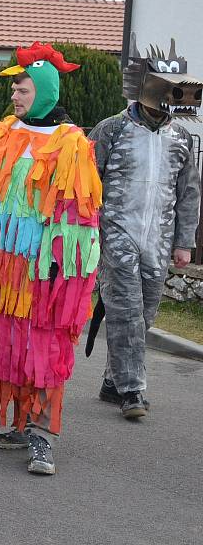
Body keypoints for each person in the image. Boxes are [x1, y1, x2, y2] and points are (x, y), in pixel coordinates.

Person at [0, 42, 102, 475]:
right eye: (14, 90)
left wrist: (61, 266)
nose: (14, 97)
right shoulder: (4, 134)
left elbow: (78, 214)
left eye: (22, 90)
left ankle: (42, 437)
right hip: (4, 270)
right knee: (10, 344)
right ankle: (19, 423)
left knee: (44, 347)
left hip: (42, 272)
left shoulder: (71, 143)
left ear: (45, 91)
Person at [90, 35, 201, 419]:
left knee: (145, 313)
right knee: (124, 311)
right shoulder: (110, 130)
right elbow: (86, 185)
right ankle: (133, 391)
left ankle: (112, 380)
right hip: (116, 235)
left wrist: (184, 242)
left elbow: (189, 193)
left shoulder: (182, 138)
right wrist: (88, 233)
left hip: (158, 239)